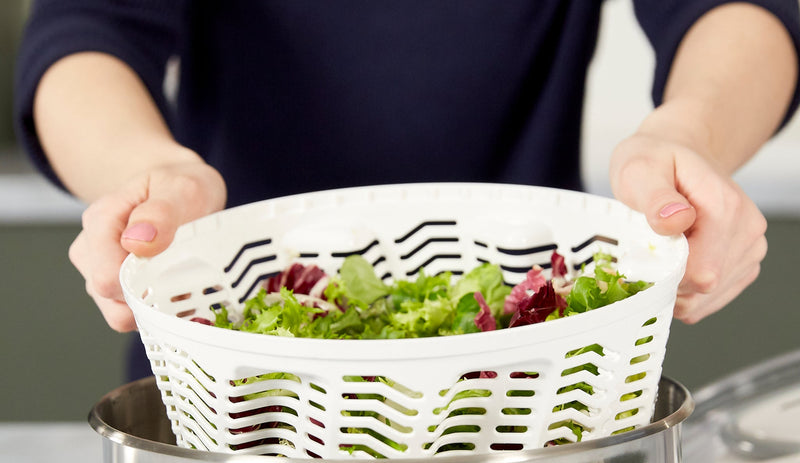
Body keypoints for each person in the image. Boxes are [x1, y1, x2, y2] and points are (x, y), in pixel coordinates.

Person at [14, 1, 800, 381]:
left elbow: (739, 9)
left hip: (530, 381)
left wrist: (687, 139)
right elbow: (86, 30)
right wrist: (144, 178)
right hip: (227, 376)